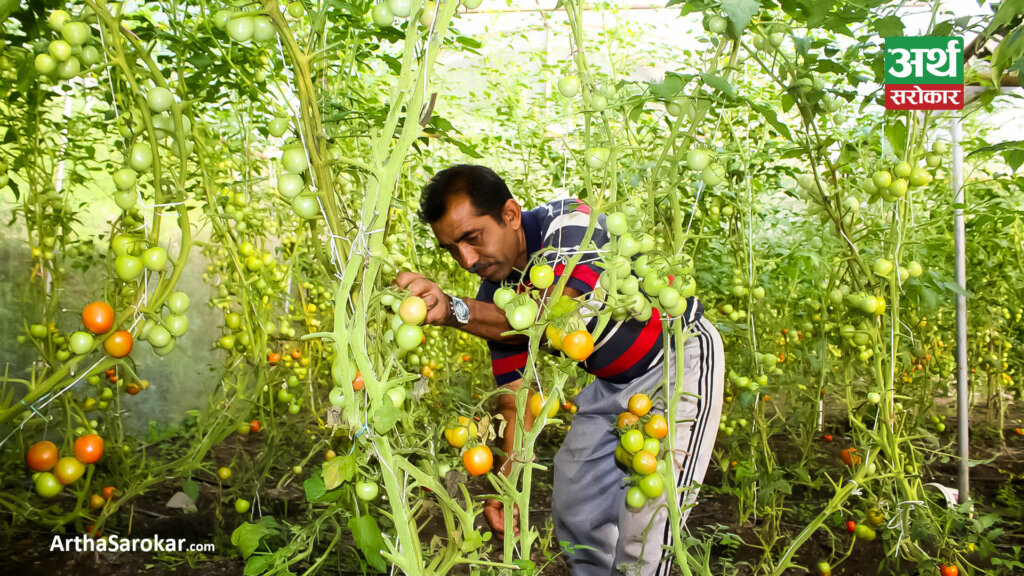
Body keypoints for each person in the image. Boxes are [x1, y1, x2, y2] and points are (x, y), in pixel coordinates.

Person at [394, 164, 724, 576]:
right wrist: (505, 487)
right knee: (576, 509)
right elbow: (518, 398)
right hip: (613, 385)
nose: (466, 259)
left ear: (510, 214)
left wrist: (454, 310)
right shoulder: (494, 297)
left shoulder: (570, 222)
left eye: (472, 238)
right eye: (451, 249)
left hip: (678, 361)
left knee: (651, 524)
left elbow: (553, 312)